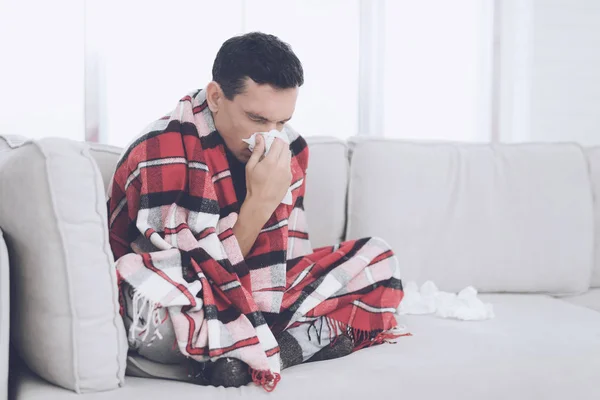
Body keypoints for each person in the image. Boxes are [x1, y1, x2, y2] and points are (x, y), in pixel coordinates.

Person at [107, 32, 405, 391]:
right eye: (258, 119)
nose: (271, 137)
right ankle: (294, 343)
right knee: (169, 299)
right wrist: (260, 203)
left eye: (281, 122)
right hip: (171, 299)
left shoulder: (290, 148)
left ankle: (246, 355)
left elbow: (283, 269)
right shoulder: (162, 149)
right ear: (216, 97)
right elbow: (194, 275)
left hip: (245, 295)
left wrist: (287, 294)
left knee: (377, 258)